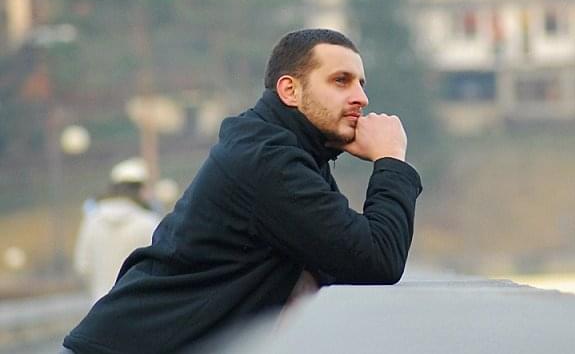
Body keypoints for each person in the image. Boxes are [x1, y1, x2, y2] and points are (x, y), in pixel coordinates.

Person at [61, 28, 422, 354]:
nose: (361, 97)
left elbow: (341, 259)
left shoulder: (283, 152)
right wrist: (390, 160)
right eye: (341, 81)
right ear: (290, 90)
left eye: (361, 83)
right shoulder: (267, 160)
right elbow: (376, 260)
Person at [73, 157, 160, 302]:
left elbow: (83, 266)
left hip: (101, 305)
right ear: (141, 190)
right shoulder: (148, 222)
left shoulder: (93, 220)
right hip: (139, 305)